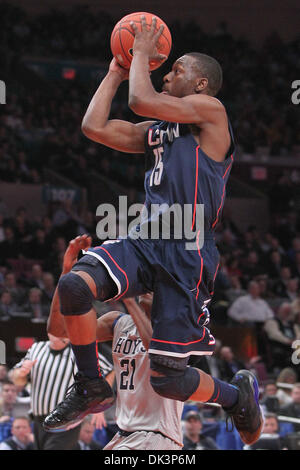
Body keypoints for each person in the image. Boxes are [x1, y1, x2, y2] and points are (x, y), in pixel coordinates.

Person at [44, 16, 263, 446]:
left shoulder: (212, 113)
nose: (169, 71)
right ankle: (90, 384)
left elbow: (141, 99)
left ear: (201, 85)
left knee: (168, 380)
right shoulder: (160, 130)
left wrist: (141, 49)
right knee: (73, 285)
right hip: (147, 238)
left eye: (179, 68)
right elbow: (94, 127)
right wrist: (114, 72)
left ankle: (238, 398)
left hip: (187, 248)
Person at [47, 236, 184, 450]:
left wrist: (128, 297)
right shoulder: (118, 323)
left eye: (150, 285)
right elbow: (59, 330)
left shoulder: (176, 326)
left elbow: (156, 351)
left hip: (157, 436)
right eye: (143, 284)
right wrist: (67, 274)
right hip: (124, 435)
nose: (144, 289)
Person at [10, 331, 113, 450]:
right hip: (38, 421)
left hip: (66, 419)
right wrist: (21, 374)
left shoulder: (79, 353)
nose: (59, 335)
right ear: (49, 332)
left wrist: (99, 402)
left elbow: (110, 370)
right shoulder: (36, 348)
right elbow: (16, 378)